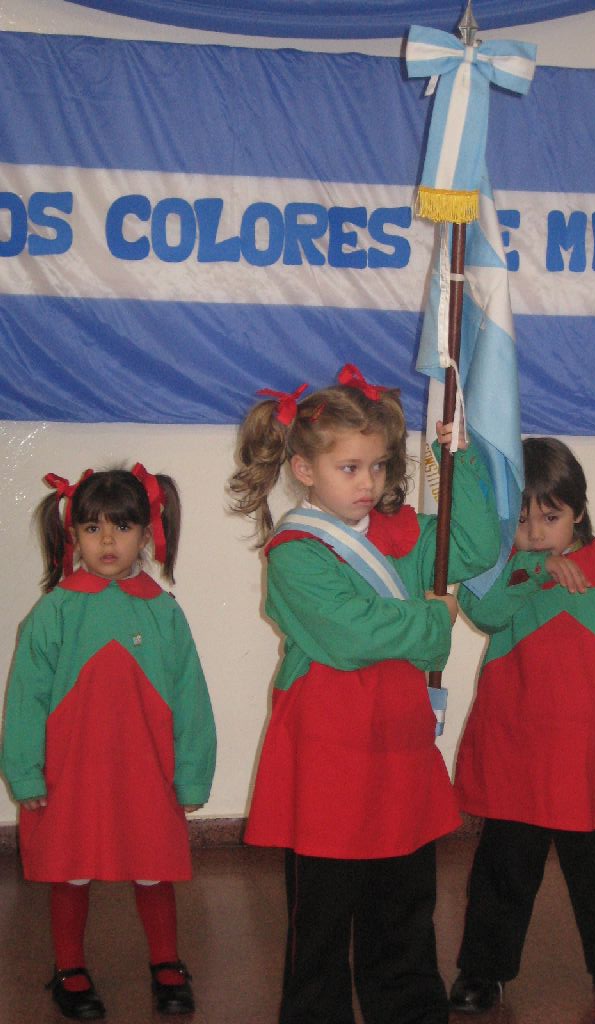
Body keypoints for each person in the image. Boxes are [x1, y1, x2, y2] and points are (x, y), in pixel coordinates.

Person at [229, 363, 500, 1024]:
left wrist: (455, 460)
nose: (368, 483)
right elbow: (352, 635)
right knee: (322, 923)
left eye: (378, 466)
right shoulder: (295, 553)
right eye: (349, 468)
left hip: (398, 747)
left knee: (404, 911)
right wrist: (433, 621)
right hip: (329, 757)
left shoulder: (402, 531)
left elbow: (473, 546)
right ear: (304, 469)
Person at [448, 437, 595, 1014]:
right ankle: (483, 971)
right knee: (504, 870)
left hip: (584, 755)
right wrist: (532, 568)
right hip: (518, 749)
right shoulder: (506, 572)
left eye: (550, 518)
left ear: (578, 511)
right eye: (522, 521)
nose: (536, 532)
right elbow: (481, 611)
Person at [0, 464, 216, 1020]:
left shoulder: (163, 612)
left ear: (146, 534)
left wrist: (192, 775)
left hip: (146, 771)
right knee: (69, 868)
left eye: (122, 527)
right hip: (71, 774)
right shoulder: (54, 612)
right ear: (73, 536)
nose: (108, 541)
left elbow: (190, 698)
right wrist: (25, 771)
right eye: (93, 528)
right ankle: (69, 967)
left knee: (153, 865)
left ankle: (167, 962)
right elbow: (25, 700)